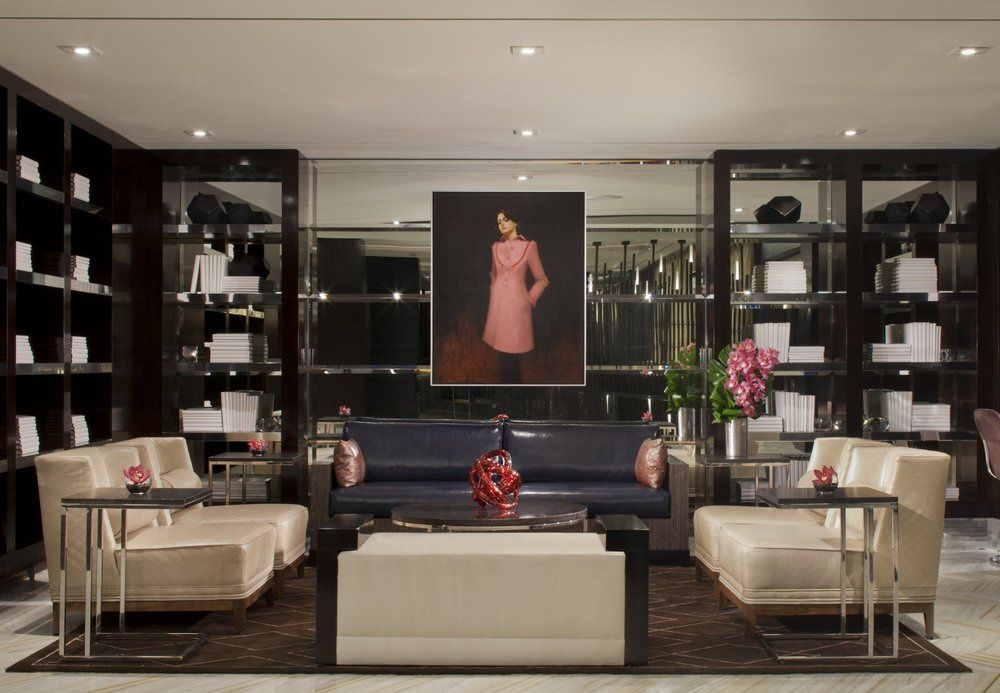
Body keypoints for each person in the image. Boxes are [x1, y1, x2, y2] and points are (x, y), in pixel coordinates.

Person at [482, 209, 549, 383]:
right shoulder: (495, 247)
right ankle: (507, 392)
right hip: (497, 308)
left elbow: (542, 280)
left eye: (505, 219)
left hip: (517, 307)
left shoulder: (529, 246)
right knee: (502, 358)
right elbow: (493, 275)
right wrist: (495, 294)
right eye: (499, 221)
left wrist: (529, 299)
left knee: (513, 358)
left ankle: (516, 392)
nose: (502, 224)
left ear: (516, 222)